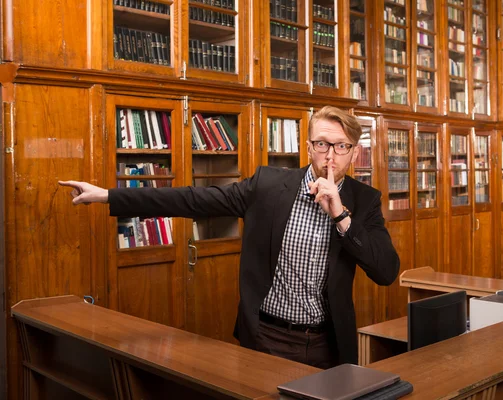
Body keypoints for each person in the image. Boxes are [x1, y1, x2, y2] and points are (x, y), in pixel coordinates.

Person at [59, 106, 400, 369]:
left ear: (354, 153)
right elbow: (192, 199)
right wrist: (108, 195)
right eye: (322, 143)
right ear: (308, 147)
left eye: (341, 146)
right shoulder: (268, 185)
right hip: (268, 337)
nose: (330, 155)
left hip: (330, 343)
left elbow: (385, 272)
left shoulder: (364, 200)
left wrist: (340, 215)